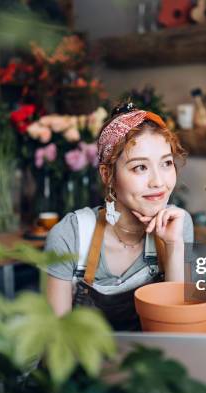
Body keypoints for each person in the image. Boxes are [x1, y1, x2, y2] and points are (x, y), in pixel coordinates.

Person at [44, 102, 194, 331]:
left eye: (166, 163)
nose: (158, 182)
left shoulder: (178, 225)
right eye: (140, 167)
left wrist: (173, 246)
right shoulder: (70, 236)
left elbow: (178, 331)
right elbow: (55, 347)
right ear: (108, 175)